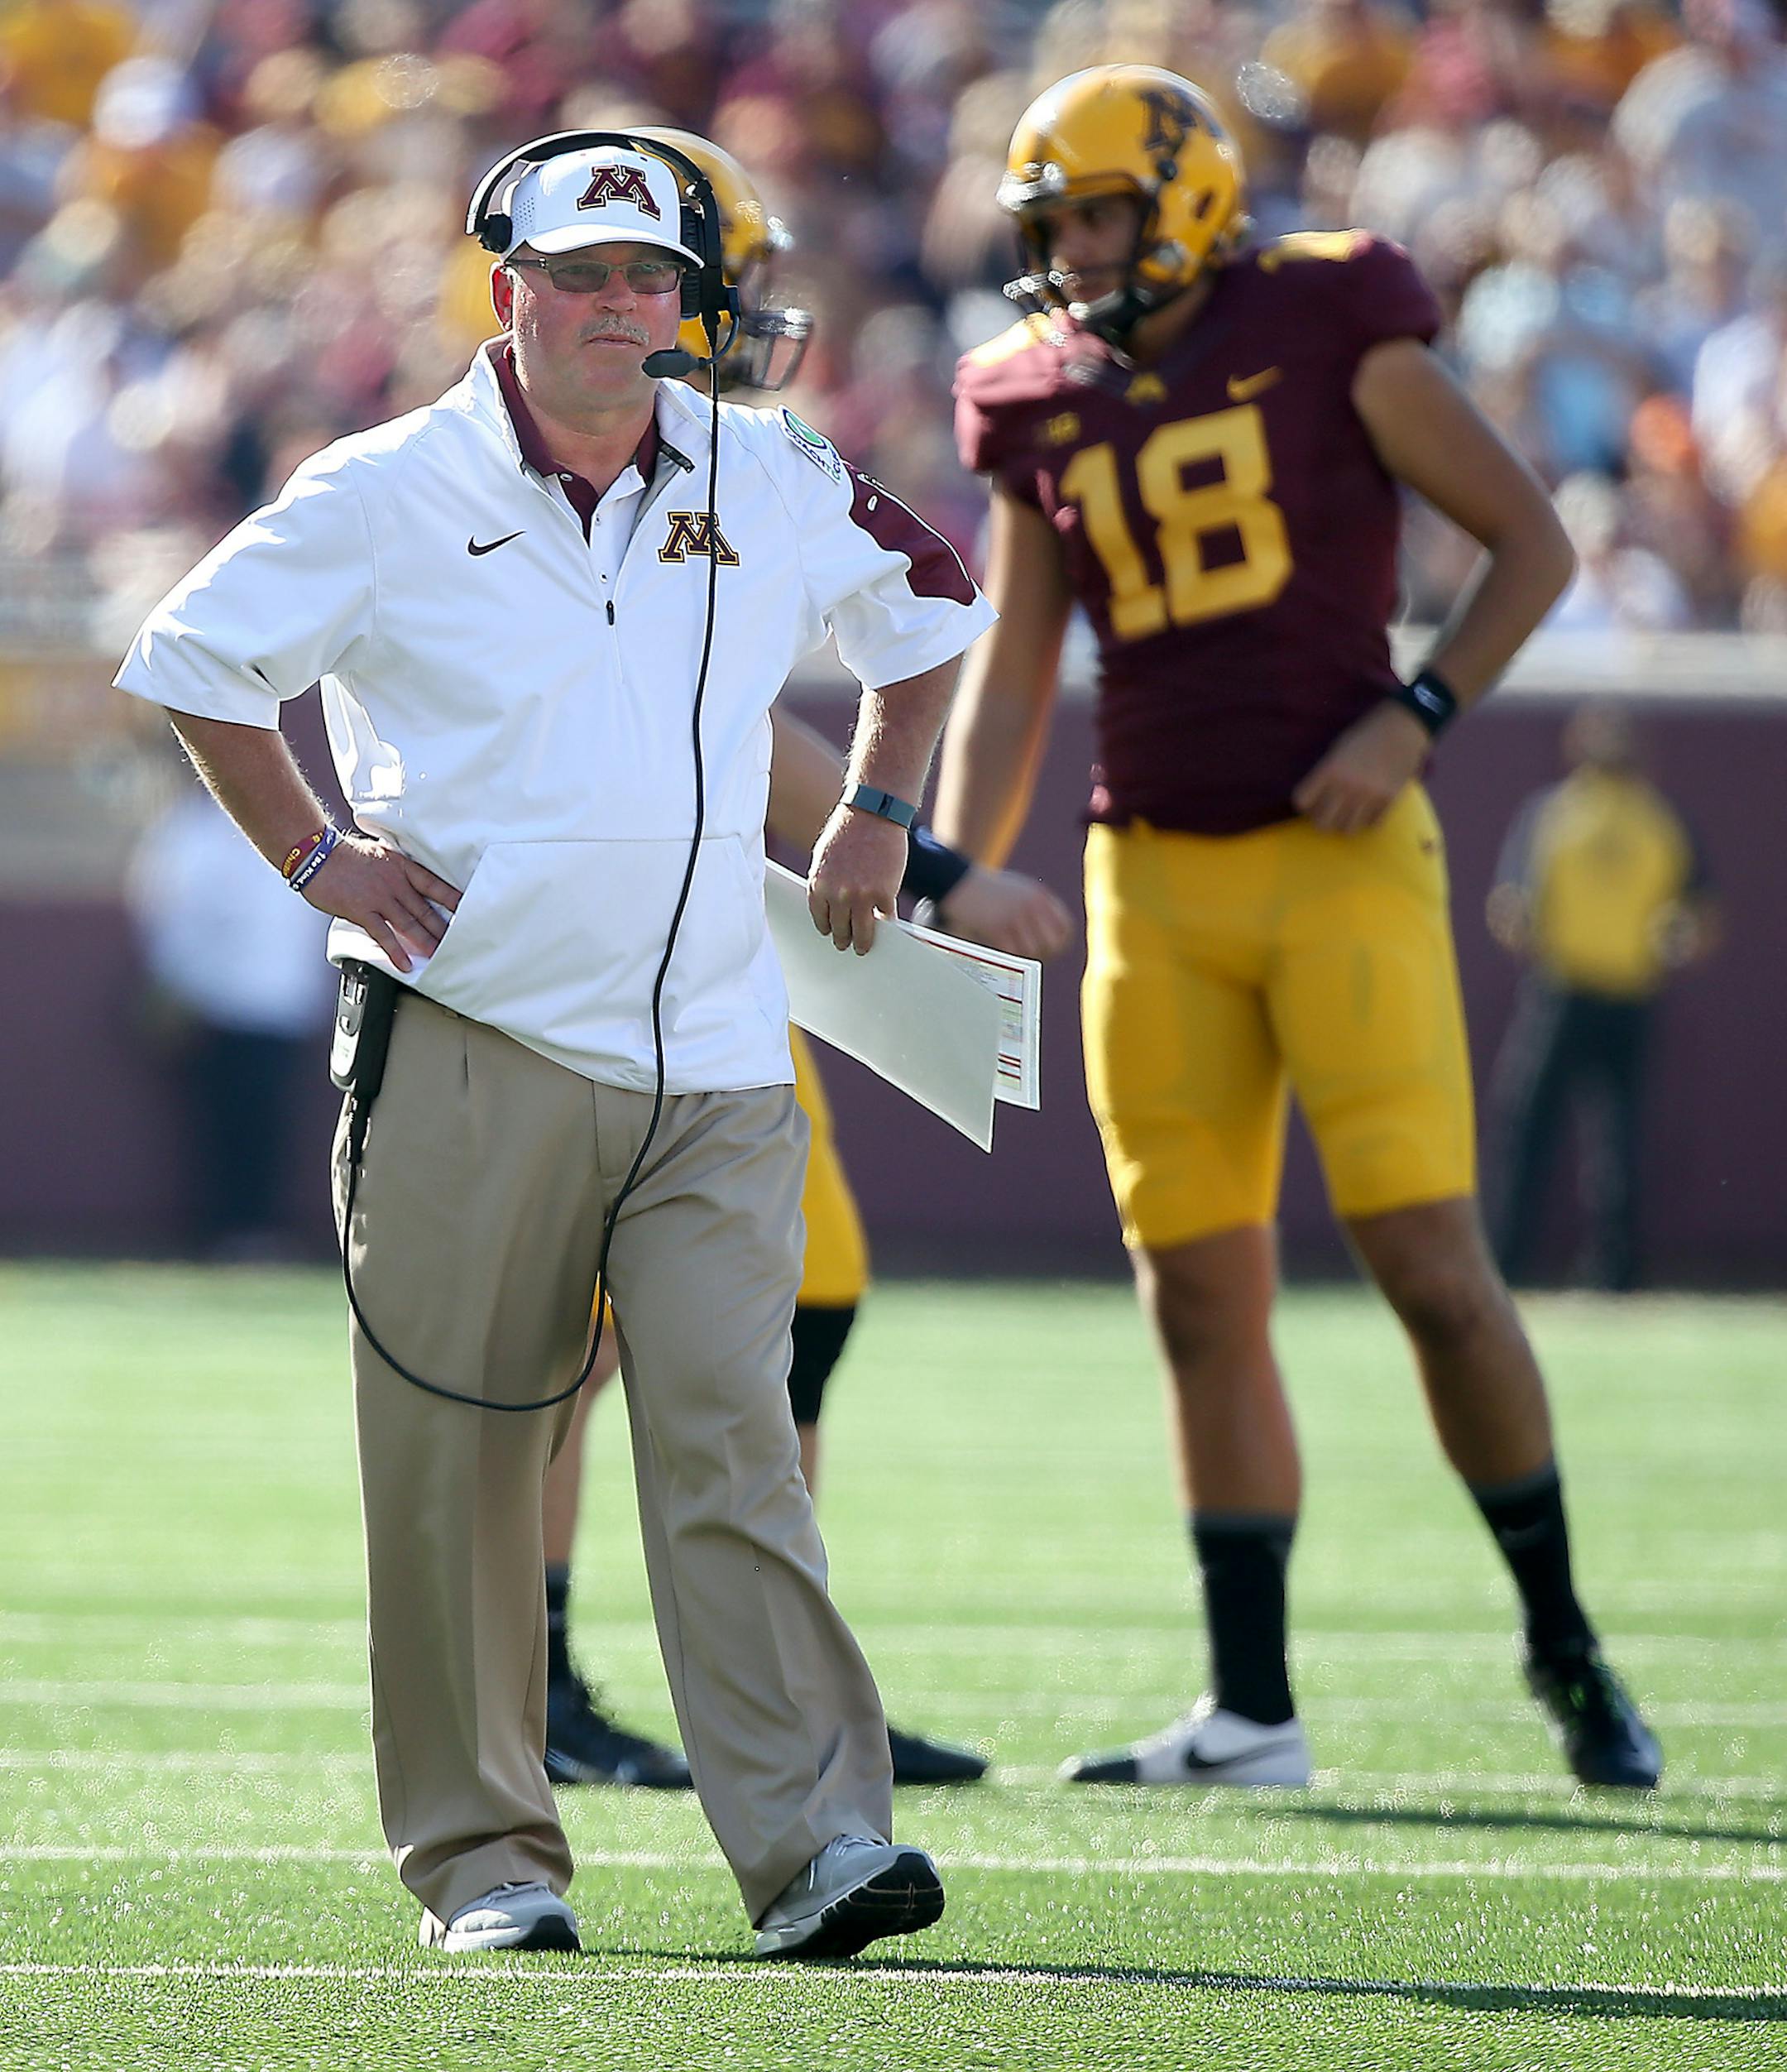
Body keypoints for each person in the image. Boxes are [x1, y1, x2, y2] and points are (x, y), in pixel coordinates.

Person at [115, 134, 999, 1961]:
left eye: (647, 276)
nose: (616, 306)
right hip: (470, 1033)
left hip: (722, 1054)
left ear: (693, 296)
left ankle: (819, 1848)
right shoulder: (381, 485)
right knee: (458, 1464)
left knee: (733, 1442)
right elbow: (194, 661)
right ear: (501, 283)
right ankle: (487, 1861)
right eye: (579, 273)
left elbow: (931, 616)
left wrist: (883, 816)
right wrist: (314, 852)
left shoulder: (770, 466)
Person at [934, 65, 1663, 1791]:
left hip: (1337, 859)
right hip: (1151, 876)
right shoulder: (1035, 397)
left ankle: (1563, 1642)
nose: (1075, 251)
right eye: (1055, 226)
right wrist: (949, 870)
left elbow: (1528, 544)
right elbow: (1015, 665)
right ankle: (1252, 1705)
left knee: (1431, 1270)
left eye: (1099, 213)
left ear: (1185, 195)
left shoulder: (1336, 317)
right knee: (1193, 1289)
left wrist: (1414, 713)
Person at [534, 128, 1072, 1796]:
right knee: (571, 1331)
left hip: (710, 940)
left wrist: (899, 833)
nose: (738, 323)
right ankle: (539, 1672)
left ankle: (785, 1675)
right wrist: (934, 854)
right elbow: (736, 725)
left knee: (800, 1294)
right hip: (584, 956)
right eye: (717, 287)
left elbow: (841, 665)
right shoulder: (549, 471)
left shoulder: (723, 467)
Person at [1488, 702, 1719, 1291]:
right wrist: (1671, 941)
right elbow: (1702, 919)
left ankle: (1509, 1263)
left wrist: (1534, 933)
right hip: (1624, 992)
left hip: (1565, 992)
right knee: (1615, 1138)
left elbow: (1508, 911)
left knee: (1535, 1132)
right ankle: (1614, 1273)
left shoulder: (1555, 814)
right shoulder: (1656, 818)